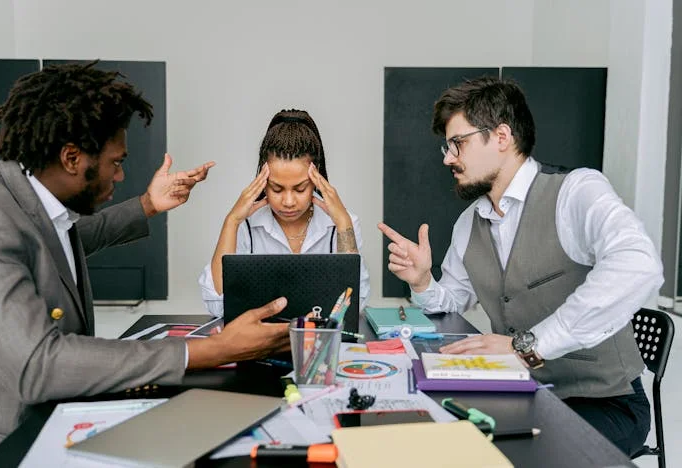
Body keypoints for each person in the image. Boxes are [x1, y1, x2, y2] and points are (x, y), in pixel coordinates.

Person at [0, 62, 290, 463]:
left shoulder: (28, 203)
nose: (121, 175)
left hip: (53, 417)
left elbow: (69, 240)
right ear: (72, 158)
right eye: (116, 162)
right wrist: (208, 350)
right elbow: (38, 365)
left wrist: (148, 205)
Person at [379, 77, 662, 456]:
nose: (447, 158)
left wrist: (525, 346)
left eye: (457, 144)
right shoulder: (469, 223)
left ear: (501, 136)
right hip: (520, 390)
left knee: (511, 454)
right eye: (446, 147)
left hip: (606, 402)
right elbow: (452, 302)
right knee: (437, 438)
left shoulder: (575, 192)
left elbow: (639, 264)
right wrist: (422, 281)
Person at [199, 109, 370, 317]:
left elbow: (353, 305)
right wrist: (232, 221)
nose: (288, 202)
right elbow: (217, 304)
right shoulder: (244, 224)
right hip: (258, 346)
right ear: (263, 182)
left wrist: (343, 222)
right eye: (277, 189)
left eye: (300, 189)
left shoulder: (344, 224)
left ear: (317, 180)